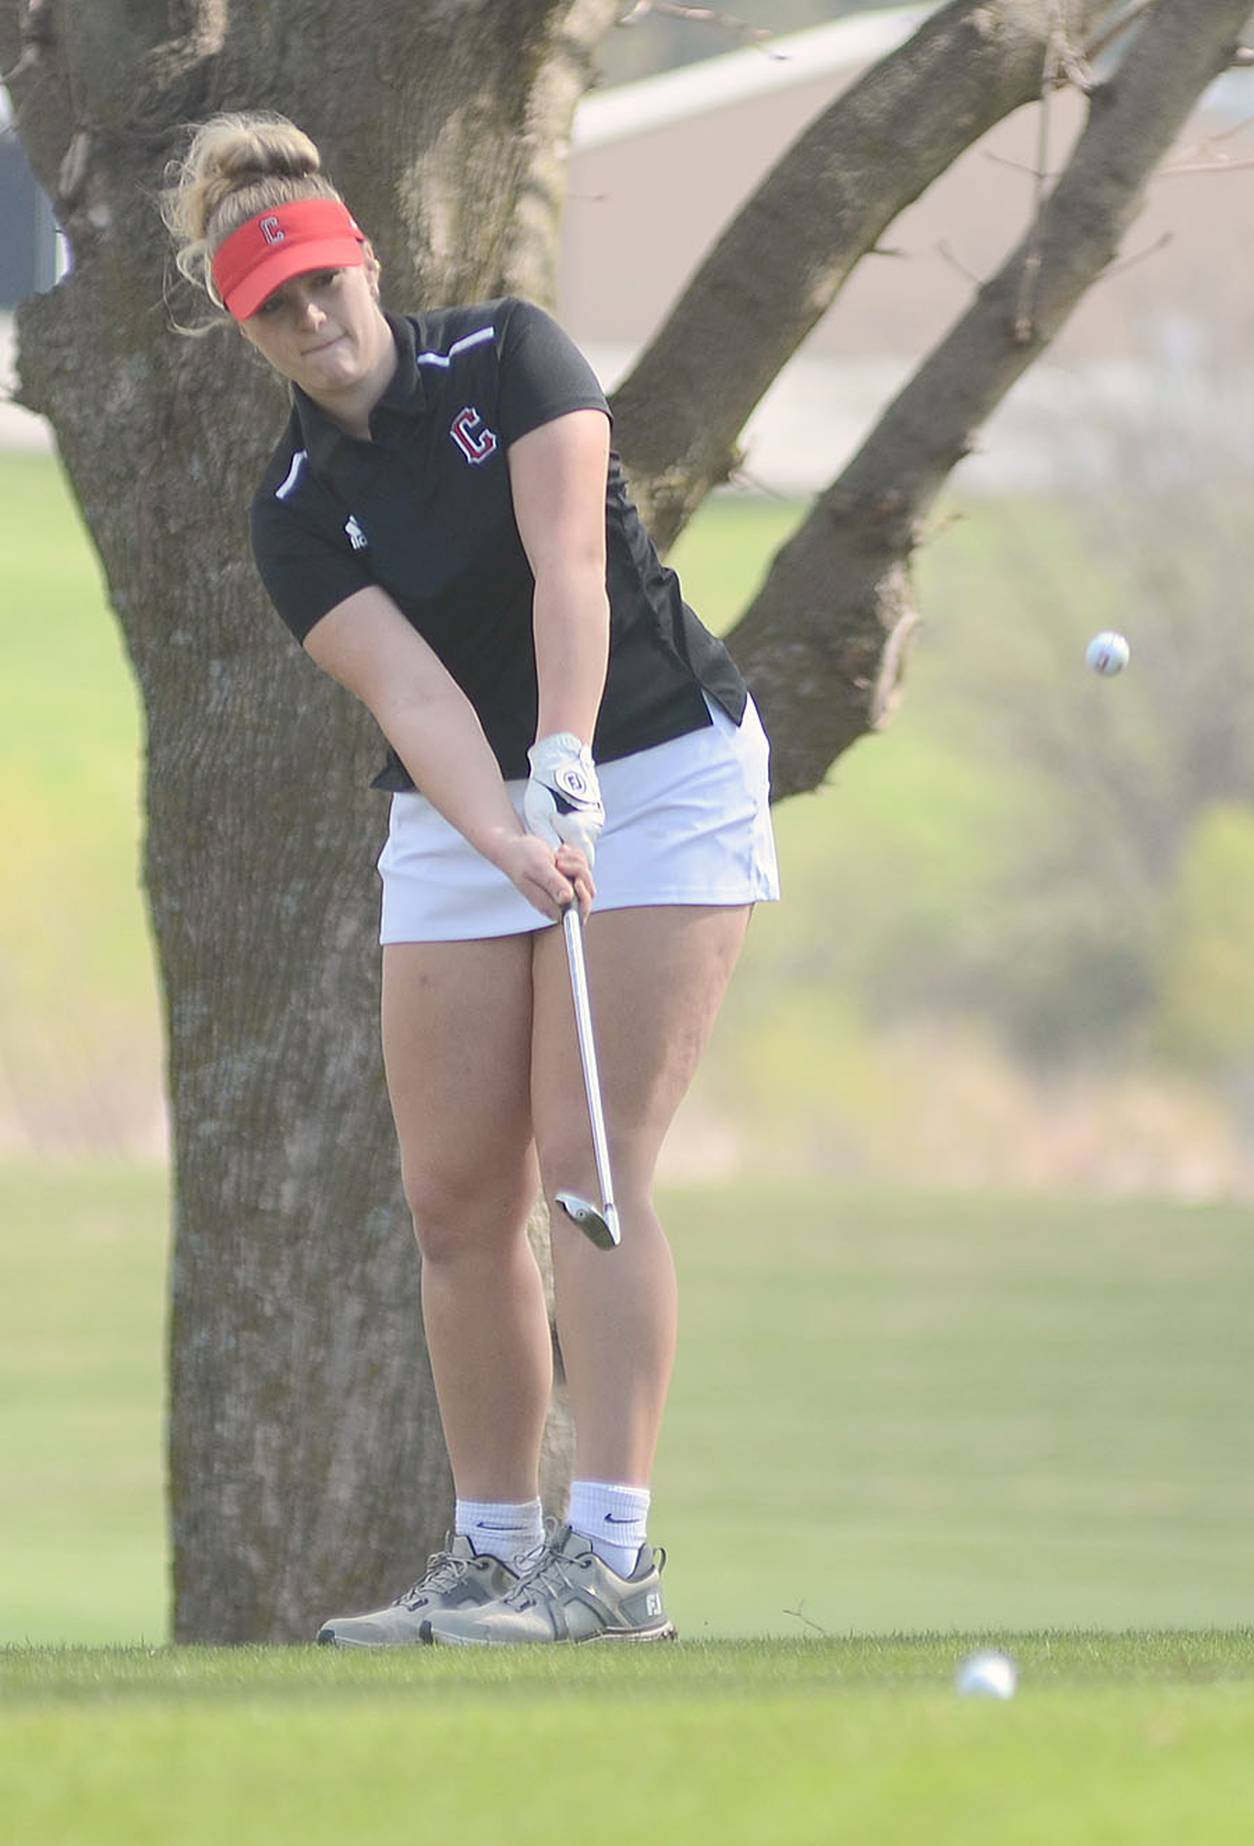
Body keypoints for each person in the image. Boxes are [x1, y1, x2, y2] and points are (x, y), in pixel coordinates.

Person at [162, 113, 779, 1647]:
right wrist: (504, 829)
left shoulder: (511, 359)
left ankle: (614, 1556)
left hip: (650, 758)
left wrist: (563, 761)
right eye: (275, 311)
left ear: (364, 256)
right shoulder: (295, 513)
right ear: (246, 331)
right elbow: (419, 698)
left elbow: (569, 566)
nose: (314, 322)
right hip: (461, 806)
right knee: (453, 1195)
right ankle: (496, 1549)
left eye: (323, 284)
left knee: (588, 1165)